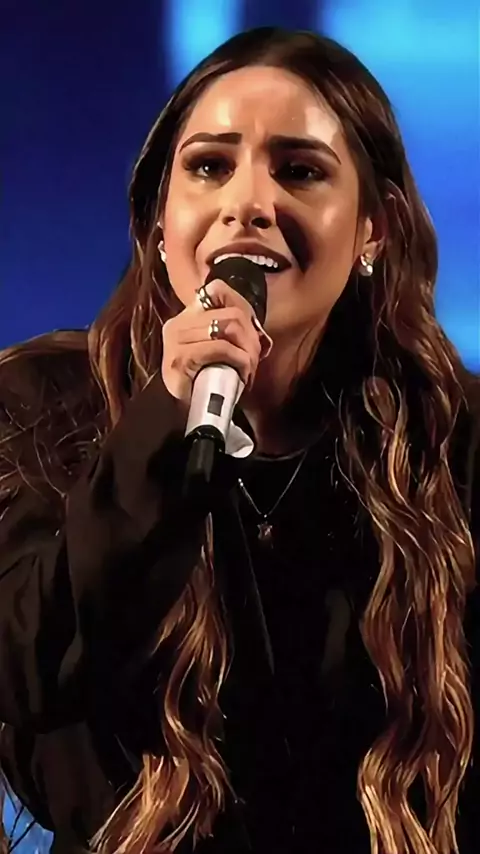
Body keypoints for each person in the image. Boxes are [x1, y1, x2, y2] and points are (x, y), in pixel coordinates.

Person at [0, 25, 478, 854]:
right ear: (160, 222)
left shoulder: (453, 440)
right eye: (209, 166)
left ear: (372, 229)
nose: (248, 202)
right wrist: (166, 418)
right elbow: (27, 668)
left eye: (299, 170)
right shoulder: (42, 405)